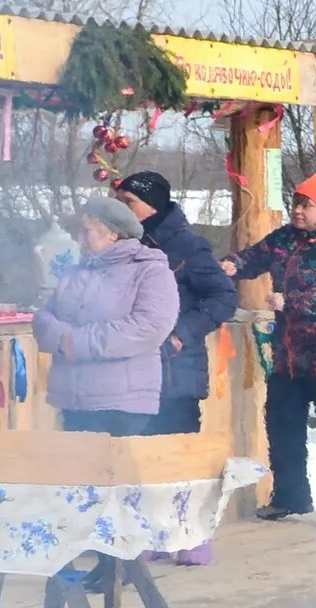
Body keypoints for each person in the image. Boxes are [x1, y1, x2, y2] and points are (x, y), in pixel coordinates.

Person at [223, 171, 316, 526]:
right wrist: (231, 265)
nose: (299, 211)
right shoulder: (284, 239)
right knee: (282, 424)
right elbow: (254, 258)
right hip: (289, 356)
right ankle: (290, 496)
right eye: (296, 203)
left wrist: (292, 300)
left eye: (307, 205)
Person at [33, 195, 176, 434]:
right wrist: (60, 338)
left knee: (111, 471)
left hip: (122, 404)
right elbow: (44, 318)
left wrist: (77, 342)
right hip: (73, 399)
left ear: (113, 233)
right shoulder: (76, 272)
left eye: (87, 230)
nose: (79, 239)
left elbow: (149, 326)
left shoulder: (150, 271)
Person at [112, 170, 238, 438]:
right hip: (124, 377)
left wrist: (183, 332)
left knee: (171, 464)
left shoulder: (187, 246)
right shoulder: (117, 244)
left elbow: (224, 297)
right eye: (117, 201)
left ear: (152, 205)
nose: (120, 209)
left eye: (128, 202)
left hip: (174, 373)